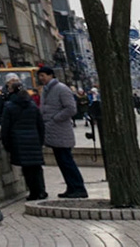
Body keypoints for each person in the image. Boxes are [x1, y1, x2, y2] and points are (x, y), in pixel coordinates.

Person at [37, 65, 87, 198]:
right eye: (40, 76)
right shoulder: (45, 90)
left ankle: (78, 187)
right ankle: (71, 187)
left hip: (60, 130)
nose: (41, 78)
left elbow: (71, 108)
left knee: (67, 161)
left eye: (43, 75)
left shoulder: (61, 88)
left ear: (50, 75)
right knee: (62, 162)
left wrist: (54, 119)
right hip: (52, 130)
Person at [0, 76, 48, 201]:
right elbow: (40, 124)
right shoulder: (32, 105)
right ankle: (41, 191)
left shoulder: (9, 106)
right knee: (37, 167)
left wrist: (7, 143)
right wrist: (40, 140)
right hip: (34, 139)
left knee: (27, 168)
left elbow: (5, 127)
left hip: (19, 141)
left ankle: (33, 192)